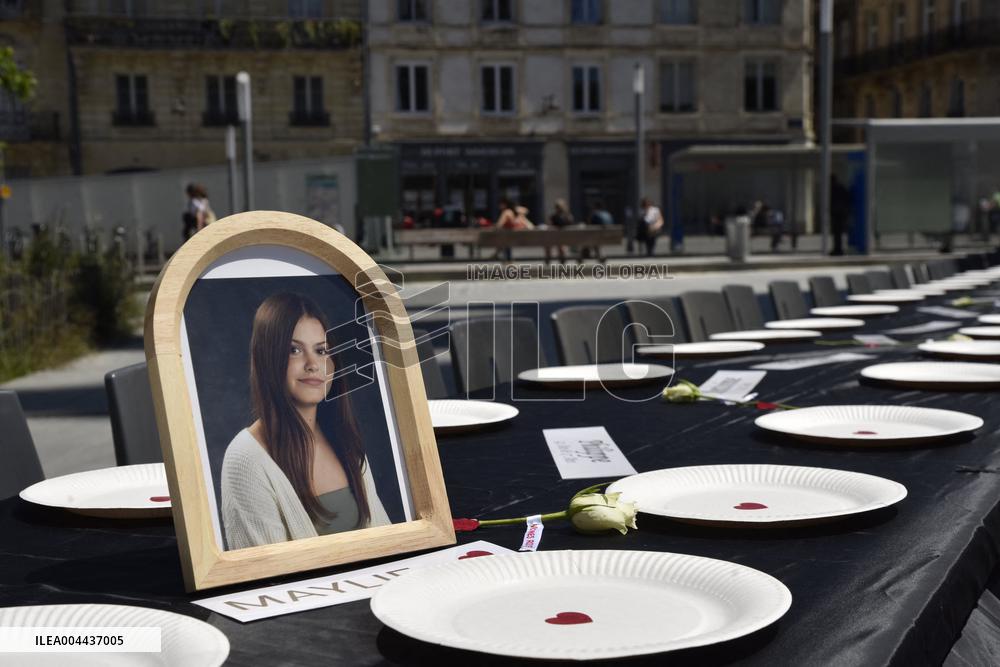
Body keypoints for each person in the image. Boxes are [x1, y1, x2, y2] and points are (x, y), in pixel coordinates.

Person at [221, 292, 390, 550]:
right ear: (268, 358)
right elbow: (267, 578)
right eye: (294, 350)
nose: (313, 364)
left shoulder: (344, 439)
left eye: (322, 350)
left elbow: (387, 541)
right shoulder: (245, 458)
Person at [545, 198, 573, 264]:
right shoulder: (568, 216)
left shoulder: (553, 217)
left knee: (549, 244)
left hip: (555, 238)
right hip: (567, 238)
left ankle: (548, 260)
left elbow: (549, 226)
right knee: (561, 244)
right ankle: (562, 260)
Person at [830, 175, 851, 256]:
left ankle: (838, 249)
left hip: (838, 214)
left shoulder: (834, 188)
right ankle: (838, 249)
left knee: (837, 233)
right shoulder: (840, 188)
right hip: (840, 213)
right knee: (837, 233)